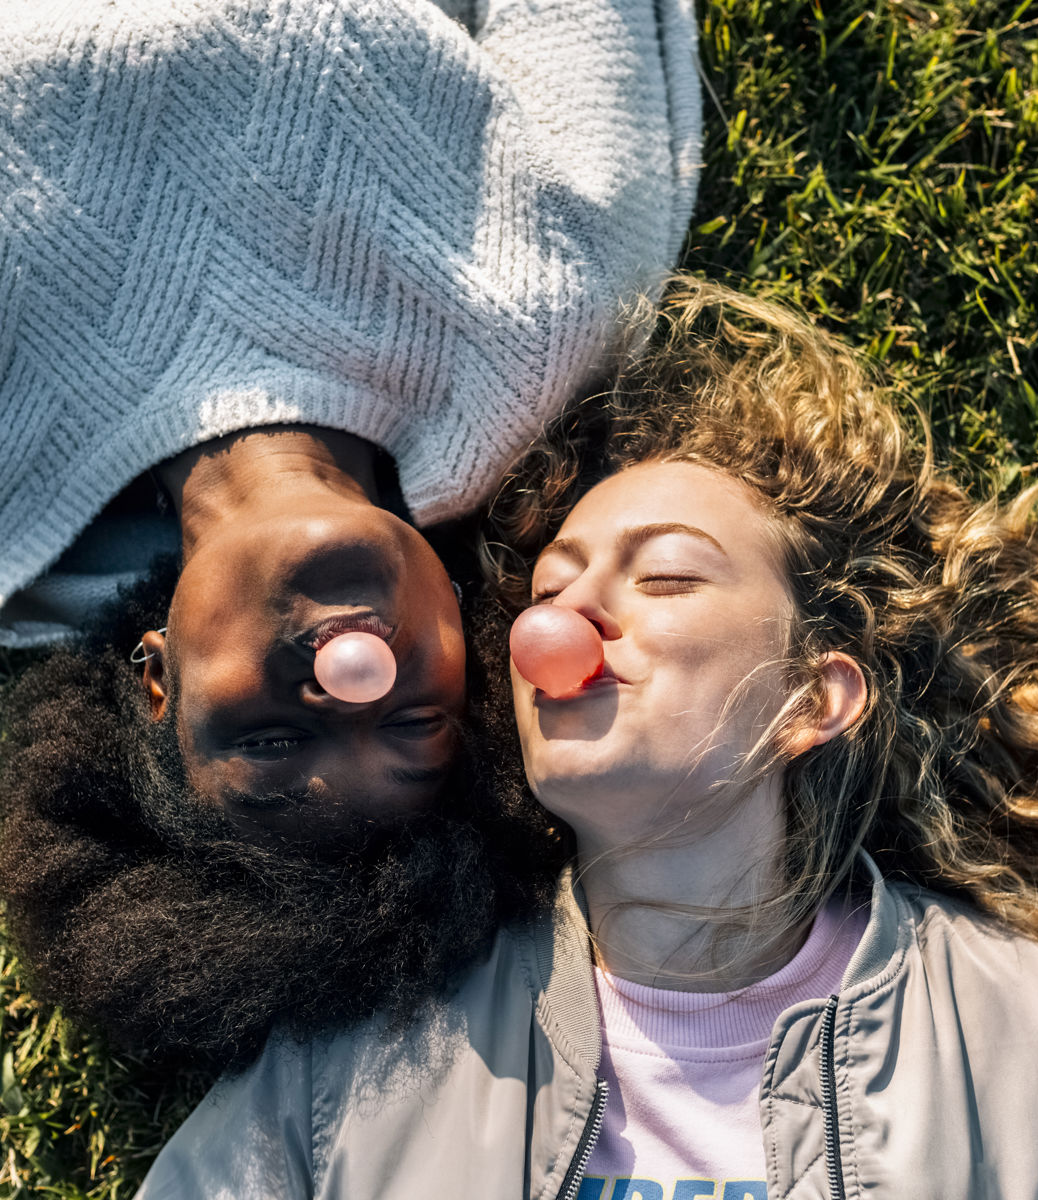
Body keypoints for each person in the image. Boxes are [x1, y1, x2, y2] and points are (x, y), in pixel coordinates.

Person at [135, 278, 1038, 1199]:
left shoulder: (1020, 1025)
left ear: (812, 700)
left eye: (669, 576)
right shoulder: (378, 1030)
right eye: (552, 585)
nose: (570, 618)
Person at [0, 0, 698, 1060]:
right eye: (418, 730)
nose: (353, 679)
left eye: (273, 743)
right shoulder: (548, 323)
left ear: (155, 686)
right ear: (471, 651)